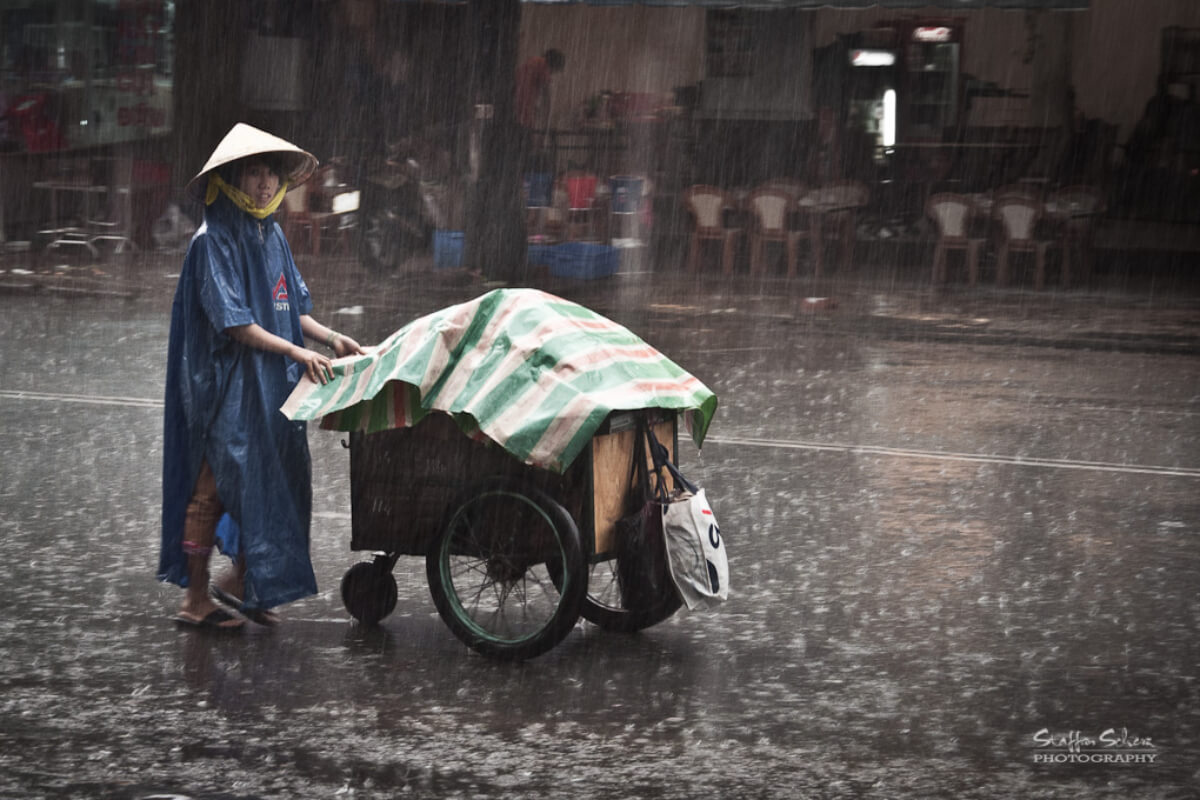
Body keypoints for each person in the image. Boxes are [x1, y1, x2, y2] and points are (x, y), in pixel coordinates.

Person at [158, 123, 365, 631]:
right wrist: (297, 348)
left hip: (272, 382)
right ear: (232, 178)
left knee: (274, 481)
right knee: (214, 486)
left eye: (271, 173)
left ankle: (242, 581)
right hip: (224, 385)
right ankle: (194, 599)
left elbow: (289, 306)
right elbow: (235, 322)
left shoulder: (270, 233)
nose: (266, 184)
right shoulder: (211, 241)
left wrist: (330, 337)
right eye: (255, 173)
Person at [515, 48, 565, 171]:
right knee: (526, 152)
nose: (552, 74)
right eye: (554, 71)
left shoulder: (530, 63)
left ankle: (519, 178)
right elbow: (546, 97)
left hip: (516, 112)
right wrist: (547, 124)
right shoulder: (542, 65)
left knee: (520, 152)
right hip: (523, 114)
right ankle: (525, 178)